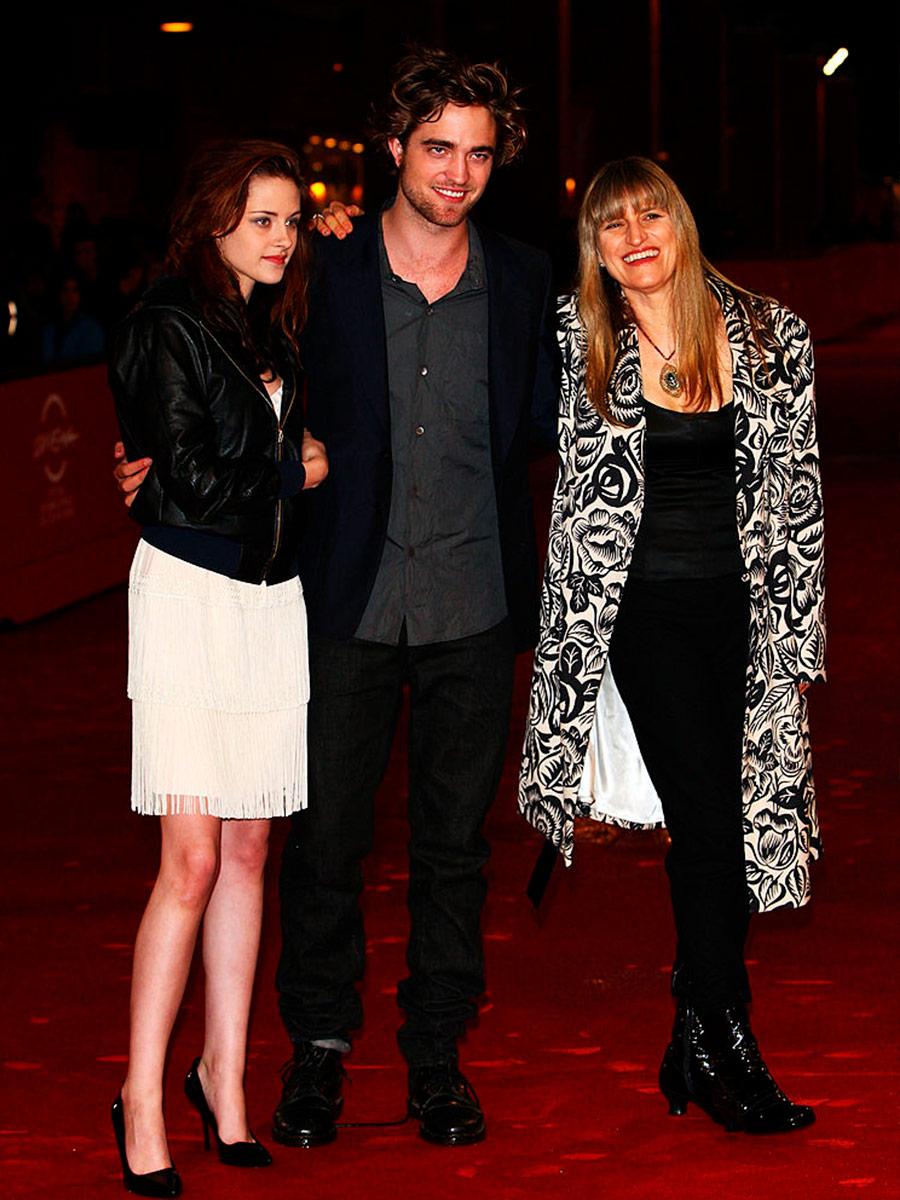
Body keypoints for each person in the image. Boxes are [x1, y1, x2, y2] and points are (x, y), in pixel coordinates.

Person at [519, 156, 825, 1134]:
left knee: (731, 824)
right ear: (596, 251)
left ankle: (695, 1035)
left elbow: (805, 496)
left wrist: (799, 635)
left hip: (748, 612)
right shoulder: (577, 340)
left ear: (681, 223)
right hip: (641, 613)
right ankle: (726, 1040)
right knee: (709, 818)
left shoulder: (775, 337)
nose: (635, 235)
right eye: (613, 225)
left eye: (651, 213)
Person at [107, 140, 328, 1197]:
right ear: (211, 221)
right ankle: (141, 1097)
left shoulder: (267, 316)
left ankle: (224, 1078)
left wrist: (290, 469)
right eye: (261, 219)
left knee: (249, 856)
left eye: (293, 219)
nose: (282, 237)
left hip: (270, 602)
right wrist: (295, 464)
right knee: (189, 861)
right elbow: (184, 479)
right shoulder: (167, 322)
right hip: (192, 602)